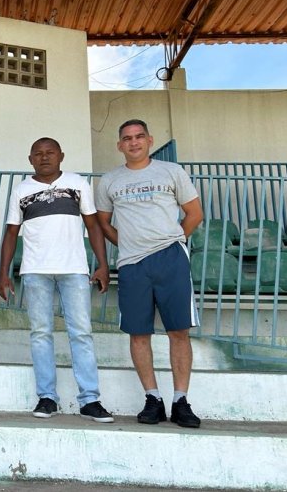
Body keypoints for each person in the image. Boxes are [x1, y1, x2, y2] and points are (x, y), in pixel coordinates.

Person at [95, 119, 203, 428]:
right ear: (120, 145)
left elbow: (195, 214)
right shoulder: (110, 181)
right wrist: (129, 243)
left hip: (171, 258)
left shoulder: (171, 172)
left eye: (139, 136)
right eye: (127, 138)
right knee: (138, 333)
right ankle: (152, 398)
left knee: (178, 331)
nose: (133, 142)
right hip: (131, 264)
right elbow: (104, 223)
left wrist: (173, 239)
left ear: (149, 140)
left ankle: (181, 401)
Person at [0, 137, 114, 422]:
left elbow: (93, 225)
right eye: (38, 153)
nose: (44, 157)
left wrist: (102, 264)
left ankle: (90, 399)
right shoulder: (21, 190)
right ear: (30, 159)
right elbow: (11, 233)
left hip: (74, 269)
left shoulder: (77, 183)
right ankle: (47, 397)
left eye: (50, 153)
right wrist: (3, 274)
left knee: (81, 333)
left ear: (61, 155)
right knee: (40, 334)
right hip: (35, 270)